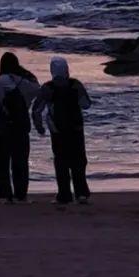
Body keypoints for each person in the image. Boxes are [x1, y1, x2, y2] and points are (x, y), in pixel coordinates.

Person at [0, 51, 40, 203]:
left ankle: (6, 196)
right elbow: (36, 87)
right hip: (20, 127)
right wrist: (21, 71)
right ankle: (21, 195)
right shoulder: (24, 82)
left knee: (2, 164)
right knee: (20, 163)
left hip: (2, 129)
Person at [31, 56, 91, 205]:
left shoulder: (48, 88)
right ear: (66, 69)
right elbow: (86, 105)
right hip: (76, 128)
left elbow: (37, 110)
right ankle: (81, 193)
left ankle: (64, 195)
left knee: (61, 161)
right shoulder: (75, 85)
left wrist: (39, 127)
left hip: (57, 130)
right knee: (79, 161)